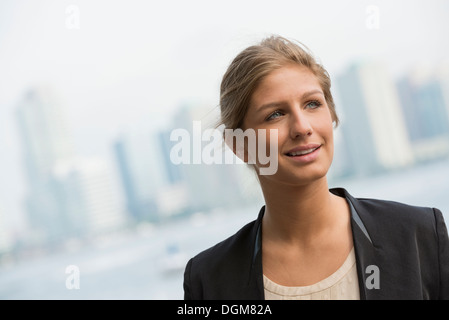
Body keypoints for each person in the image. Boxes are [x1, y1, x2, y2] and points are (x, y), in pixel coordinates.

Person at [183, 35, 449, 300]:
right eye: (275, 114)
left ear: (331, 114)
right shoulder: (209, 280)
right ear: (239, 145)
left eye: (312, 104)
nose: (302, 127)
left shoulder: (418, 234)